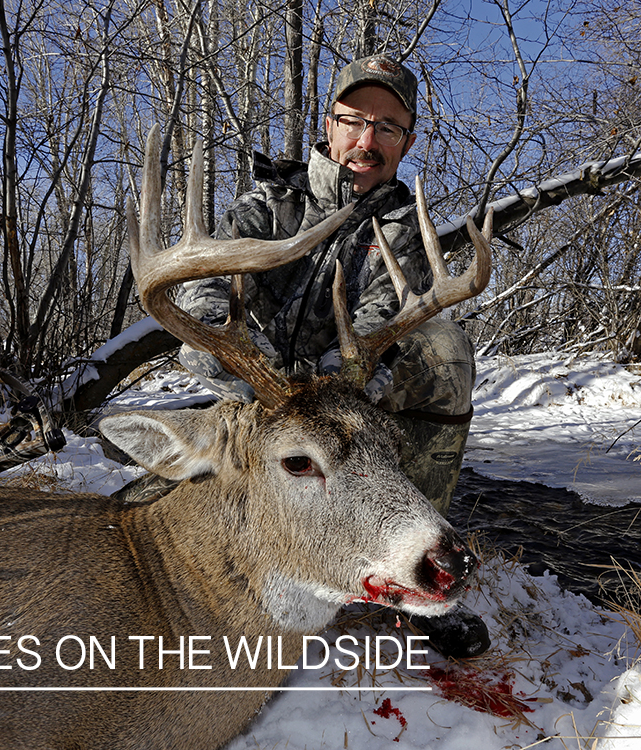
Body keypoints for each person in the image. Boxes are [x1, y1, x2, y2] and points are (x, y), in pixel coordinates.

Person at [176, 54, 489, 659]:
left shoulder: (403, 229)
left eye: (387, 127)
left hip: (344, 399)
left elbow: (381, 322)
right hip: (255, 394)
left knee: (444, 347)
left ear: (408, 140)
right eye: (354, 121)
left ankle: (412, 553)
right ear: (329, 124)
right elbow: (203, 290)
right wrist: (259, 372)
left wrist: (329, 385)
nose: (366, 140)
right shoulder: (267, 207)